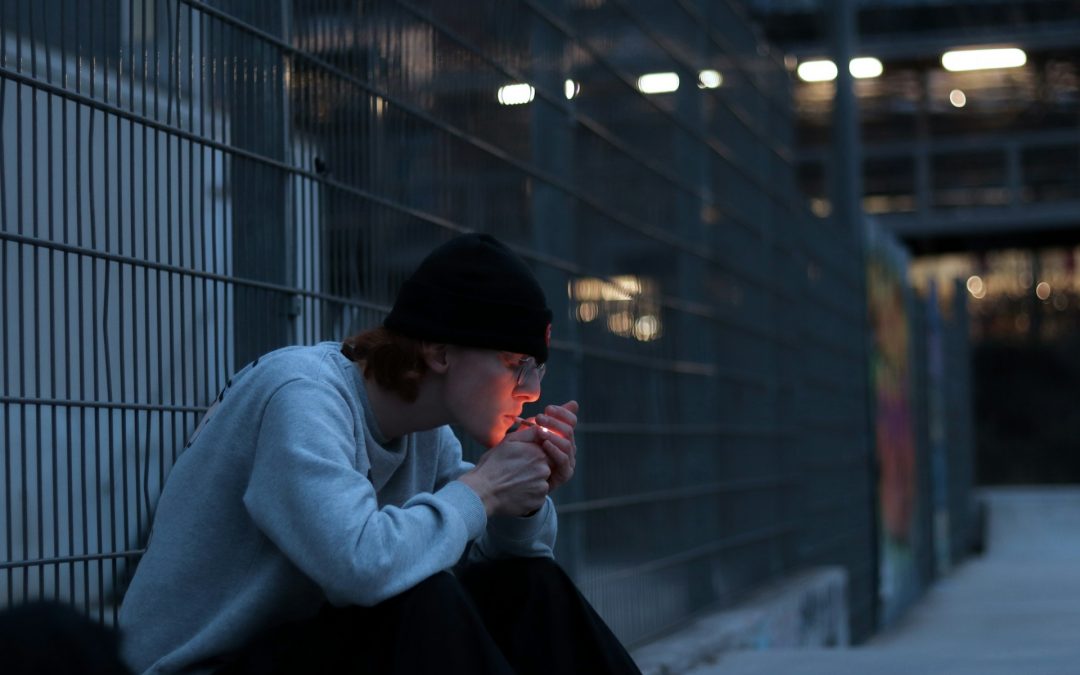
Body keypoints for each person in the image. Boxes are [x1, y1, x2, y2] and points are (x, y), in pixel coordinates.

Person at [118, 233, 642, 675]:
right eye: (517, 363)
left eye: (538, 371)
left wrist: (523, 502)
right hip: (207, 665)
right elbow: (361, 568)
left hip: (303, 647)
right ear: (440, 352)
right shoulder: (301, 395)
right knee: (420, 599)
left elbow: (482, 550)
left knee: (529, 585)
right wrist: (484, 489)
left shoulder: (425, 428)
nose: (530, 390)